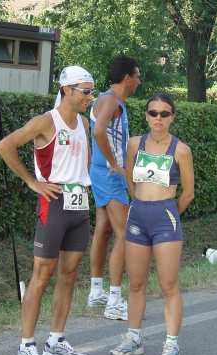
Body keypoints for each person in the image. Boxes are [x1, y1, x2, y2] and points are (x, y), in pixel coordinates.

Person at [0, 66, 95, 355]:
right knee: (41, 277)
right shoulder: (45, 121)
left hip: (79, 206)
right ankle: (26, 347)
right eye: (85, 91)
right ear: (67, 90)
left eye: (92, 91)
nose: (90, 97)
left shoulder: (83, 123)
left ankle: (55, 341)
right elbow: (4, 145)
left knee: (68, 276)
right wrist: (32, 181)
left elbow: (84, 161)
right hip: (53, 205)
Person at [110, 92, 194, 355]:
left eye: (164, 113)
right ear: (146, 115)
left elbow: (188, 194)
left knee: (168, 285)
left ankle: (172, 345)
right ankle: (133, 339)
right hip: (137, 217)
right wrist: (140, 205)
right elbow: (131, 180)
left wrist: (167, 214)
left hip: (165, 218)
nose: (158, 118)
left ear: (173, 117)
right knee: (135, 284)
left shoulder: (181, 149)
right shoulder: (135, 144)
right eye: (153, 113)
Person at [87, 56, 140, 320]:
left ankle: (97, 292)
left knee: (104, 229)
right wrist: (116, 165)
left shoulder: (109, 100)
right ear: (127, 77)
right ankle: (115, 301)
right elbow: (98, 132)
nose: (139, 81)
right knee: (125, 234)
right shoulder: (109, 100)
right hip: (110, 175)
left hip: (99, 173)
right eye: (137, 76)